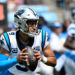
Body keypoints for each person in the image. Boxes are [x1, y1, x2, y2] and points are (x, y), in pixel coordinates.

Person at [0, 8, 56, 75]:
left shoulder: (41, 36)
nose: (34, 27)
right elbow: (0, 66)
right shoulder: (9, 38)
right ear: (20, 22)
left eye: (35, 23)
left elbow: (54, 62)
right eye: (31, 23)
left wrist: (43, 58)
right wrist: (16, 59)